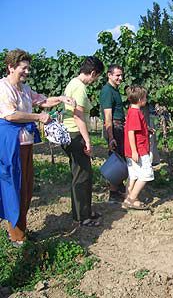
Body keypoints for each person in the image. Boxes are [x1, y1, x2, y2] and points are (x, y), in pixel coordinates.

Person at [0, 49, 75, 246]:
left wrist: (60, 98)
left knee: (26, 187)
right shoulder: (3, 88)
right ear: (11, 67)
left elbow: (41, 101)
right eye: (23, 68)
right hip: (11, 145)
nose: (27, 72)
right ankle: (16, 236)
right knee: (14, 187)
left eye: (28, 69)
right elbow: (11, 115)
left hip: (25, 143)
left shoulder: (24, 89)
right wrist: (38, 117)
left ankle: (21, 230)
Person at [62, 56, 104, 227]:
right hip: (75, 134)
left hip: (70, 133)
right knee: (82, 176)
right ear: (93, 73)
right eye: (97, 76)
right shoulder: (80, 88)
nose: (95, 80)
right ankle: (82, 217)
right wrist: (87, 140)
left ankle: (85, 211)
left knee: (82, 173)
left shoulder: (72, 83)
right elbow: (78, 117)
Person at [122, 85, 154, 210]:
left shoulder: (131, 111)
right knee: (146, 174)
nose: (146, 99)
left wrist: (147, 130)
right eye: (145, 97)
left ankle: (127, 199)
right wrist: (135, 151)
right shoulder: (136, 113)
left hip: (131, 150)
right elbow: (131, 132)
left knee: (133, 175)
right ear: (140, 99)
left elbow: (135, 129)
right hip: (139, 150)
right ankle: (132, 198)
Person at [99, 64, 125, 203]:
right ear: (109, 75)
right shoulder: (107, 91)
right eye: (117, 75)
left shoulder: (115, 90)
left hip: (118, 127)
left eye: (121, 75)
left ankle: (119, 189)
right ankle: (113, 194)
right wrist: (111, 137)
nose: (120, 78)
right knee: (116, 161)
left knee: (120, 158)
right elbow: (107, 117)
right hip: (113, 128)